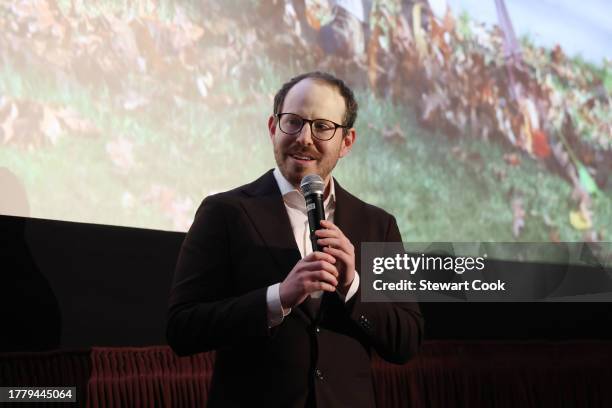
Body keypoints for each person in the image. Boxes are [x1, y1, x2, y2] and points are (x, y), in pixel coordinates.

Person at [166, 71, 424, 408]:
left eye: (322, 127)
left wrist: (353, 287)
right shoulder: (225, 212)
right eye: (293, 122)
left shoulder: (377, 225)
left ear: (346, 142)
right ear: (273, 128)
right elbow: (182, 329)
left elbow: (405, 342)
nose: (304, 137)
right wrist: (278, 298)